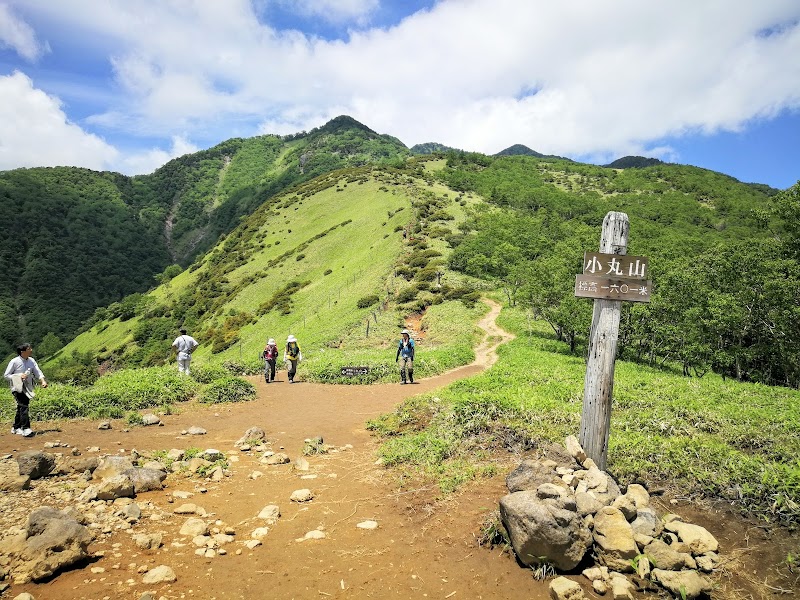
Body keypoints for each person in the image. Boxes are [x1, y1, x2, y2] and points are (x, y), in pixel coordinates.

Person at [4, 342, 48, 437]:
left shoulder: (31, 360)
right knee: (24, 406)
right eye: (29, 349)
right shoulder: (14, 361)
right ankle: (25, 428)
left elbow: (37, 371)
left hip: (28, 387)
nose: (31, 350)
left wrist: (43, 381)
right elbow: (6, 375)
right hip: (17, 387)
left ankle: (16, 427)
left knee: (21, 406)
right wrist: (19, 375)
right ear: (22, 351)